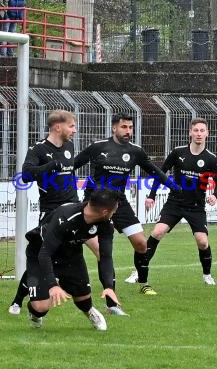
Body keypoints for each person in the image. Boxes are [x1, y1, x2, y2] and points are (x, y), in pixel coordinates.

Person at [7, 110, 127, 316]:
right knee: (44, 254)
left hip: (75, 209)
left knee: (101, 251)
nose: (75, 130)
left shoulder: (70, 146)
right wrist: (52, 166)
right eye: (71, 126)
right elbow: (25, 176)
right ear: (57, 127)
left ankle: (111, 301)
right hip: (51, 212)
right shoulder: (38, 149)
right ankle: (19, 300)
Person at [74, 113, 173, 296]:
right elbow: (72, 165)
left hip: (119, 202)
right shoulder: (98, 147)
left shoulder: (135, 151)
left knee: (141, 244)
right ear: (114, 128)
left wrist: (174, 186)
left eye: (130, 127)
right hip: (93, 202)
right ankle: (101, 287)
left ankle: (143, 282)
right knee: (90, 245)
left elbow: (154, 171)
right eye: (124, 127)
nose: (128, 131)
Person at [123, 118, 217, 292]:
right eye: (196, 130)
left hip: (196, 206)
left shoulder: (211, 159)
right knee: (157, 232)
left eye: (202, 131)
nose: (199, 134)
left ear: (207, 133)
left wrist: (214, 195)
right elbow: (159, 173)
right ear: (190, 133)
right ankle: (138, 271)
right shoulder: (178, 152)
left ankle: (207, 275)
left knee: (203, 242)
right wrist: (151, 196)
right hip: (175, 203)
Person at [26, 189, 120, 330]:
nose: (114, 213)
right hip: (40, 251)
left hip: (70, 253)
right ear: (105, 211)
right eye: (114, 210)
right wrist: (53, 285)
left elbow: (105, 256)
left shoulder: (106, 223)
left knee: (83, 298)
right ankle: (34, 312)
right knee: (40, 307)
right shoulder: (66, 217)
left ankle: (90, 311)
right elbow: (44, 254)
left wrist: (108, 286)